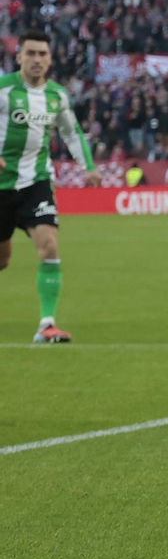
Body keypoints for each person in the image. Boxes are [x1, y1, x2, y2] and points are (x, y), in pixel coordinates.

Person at [0, 31, 102, 342]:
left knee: (49, 246)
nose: (37, 60)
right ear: (18, 57)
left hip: (37, 182)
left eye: (43, 54)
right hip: (2, 187)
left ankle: (47, 325)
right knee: (3, 259)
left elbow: (72, 134)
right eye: (30, 53)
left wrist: (89, 167)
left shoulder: (57, 95)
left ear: (50, 59)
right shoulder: (4, 90)